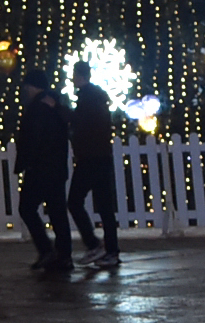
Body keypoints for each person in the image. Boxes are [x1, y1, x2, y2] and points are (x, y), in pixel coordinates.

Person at [67, 61, 122, 268]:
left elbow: (82, 123)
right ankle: (111, 250)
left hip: (90, 157)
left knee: (74, 201)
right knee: (105, 207)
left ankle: (94, 244)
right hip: (101, 156)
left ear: (79, 75)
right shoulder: (98, 98)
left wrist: (65, 116)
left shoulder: (86, 99)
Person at [16, 85, 73, 270]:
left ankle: (46, 249)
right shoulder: (55, 106)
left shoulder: (36, 109)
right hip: (56, 168)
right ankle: (63, 255)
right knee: (57, 212)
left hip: (40, 168)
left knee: (27, 207)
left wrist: (27, 161)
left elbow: (32, 138)